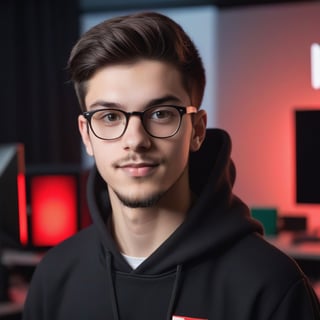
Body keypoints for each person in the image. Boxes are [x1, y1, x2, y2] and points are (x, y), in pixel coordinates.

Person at [22, 11, 320, 320]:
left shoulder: (272, 285)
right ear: (86, 134)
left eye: (161, 113)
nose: (136, 140)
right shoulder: (54, 277)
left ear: (198, 130)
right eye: (110, 116)